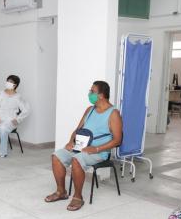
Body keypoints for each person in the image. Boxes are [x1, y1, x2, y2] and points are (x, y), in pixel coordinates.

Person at [44, 81, 122, 211]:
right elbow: (78, 129)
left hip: (99, 152)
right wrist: (70, 142)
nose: (89, 94)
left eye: (92, 91)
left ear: (101, 95)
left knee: (77, 159)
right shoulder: (89, 110)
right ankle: (61, 191)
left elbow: (118, 140)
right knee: (57, 156)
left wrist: (95, 149)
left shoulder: (113, 113)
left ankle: (78, 197)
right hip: (80, 147)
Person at [0, 75, 30, 158]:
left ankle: (3, 152)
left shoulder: (18, 97)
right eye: (8, 81)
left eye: (11, 82)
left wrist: (18, 119)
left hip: (11, 119)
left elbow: (26, 110)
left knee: (3, 129)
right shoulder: (1, 94)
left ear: (15, 85)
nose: (8, 83)